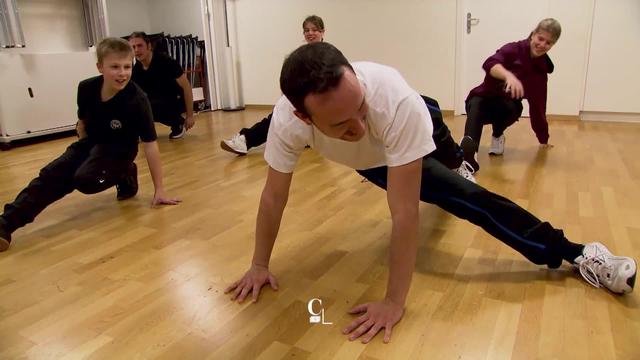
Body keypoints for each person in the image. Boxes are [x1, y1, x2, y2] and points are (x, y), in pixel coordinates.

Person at [224, 42, 636, 344]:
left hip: (409, 121)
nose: (359, 127)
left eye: (360, 109)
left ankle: (578, 252)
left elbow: (403, 214)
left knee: (448, 155)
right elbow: (273, 197)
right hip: (377, 159)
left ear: (355, 76)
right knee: (452, 193)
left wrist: (394, 300)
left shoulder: (390, 99)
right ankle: (457, 160)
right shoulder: (287, 123)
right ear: (302, 115)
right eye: (342, 124)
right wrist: (259, 264)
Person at [0, 37, 181, 252]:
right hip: (92, 142)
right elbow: (83, 122)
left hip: (120, 150)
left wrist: (159, 189)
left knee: (85, 180)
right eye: (114, 67)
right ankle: (5, 224)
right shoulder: (86, 88)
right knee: (51, 174)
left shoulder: (137, 100)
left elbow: (150, 145)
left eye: (126, 66)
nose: (122, 73)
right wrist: (78, 156)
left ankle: (125, 172)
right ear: (100, 67)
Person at [460, 18, 561, 172]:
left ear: (553, 45)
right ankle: (468, 156)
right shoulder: (513, 49)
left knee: (512, 108)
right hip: (482, 99)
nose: (542, 45)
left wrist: (543, 137)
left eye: (548, 43)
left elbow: (538, 106)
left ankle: (498, 135)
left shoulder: (540, 72)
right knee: (477, 103)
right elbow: (490, 63)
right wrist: (508, 76)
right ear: (533, 35)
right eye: (540, 39)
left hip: (507, 107)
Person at [220, 15, 326, 155]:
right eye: (306, 30)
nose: (310, 33)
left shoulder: (327, 54)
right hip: (303, 103)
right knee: (279, 114)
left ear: (322, 32)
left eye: (314, 30)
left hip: (320, 105)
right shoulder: (301, 55)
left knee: (280, 116)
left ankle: (245, 140)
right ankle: (245, 140)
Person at [128, 31, 195, 140]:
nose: (136, 50)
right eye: (133, 47)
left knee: (151, 105)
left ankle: (178, 123)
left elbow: (186, 87)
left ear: (149, 46)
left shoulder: (167, 62)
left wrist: (190, 115)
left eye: (140, 46)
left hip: (176, 100)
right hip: (156, 100)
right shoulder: (136, 70)